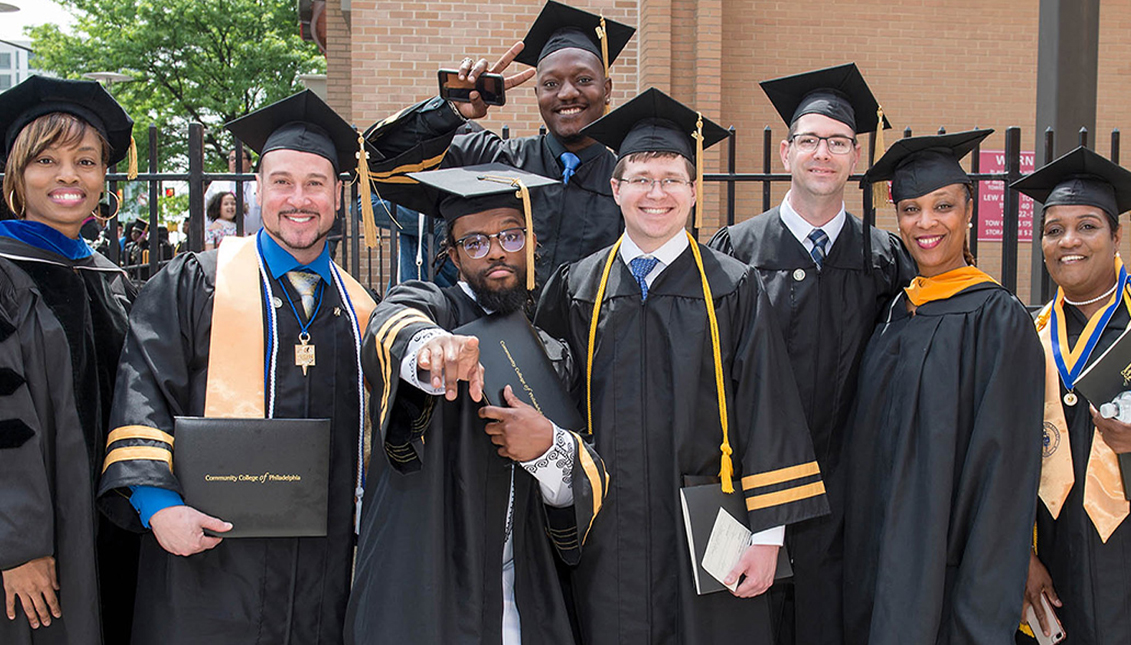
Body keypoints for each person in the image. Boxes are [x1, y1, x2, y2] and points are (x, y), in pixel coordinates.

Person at [534, 88, 829, 645]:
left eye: (672, 178)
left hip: (710, 523)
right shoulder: (578, 287)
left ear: (694, 191)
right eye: (641, 178)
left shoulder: (733, 285)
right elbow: (548, 402)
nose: (656, 193)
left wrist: (769, 537)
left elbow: (768, 405)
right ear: (615, 188)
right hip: (604, 527)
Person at [96, 90, 378, 644]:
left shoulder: (362, 311)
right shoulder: (196, 284)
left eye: (315, 183)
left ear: (338, 195)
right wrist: (157, 506)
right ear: (258, 191)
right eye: (282, 182)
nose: (299, 199)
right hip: (210, 561)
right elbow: (144, 388)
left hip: (322, 578)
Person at [347, 164, 608, 644]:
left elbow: (581, 486)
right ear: (451, 255)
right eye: (474, 242)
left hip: (522, 589)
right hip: (427, 582)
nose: (495, 253)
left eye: (510, 236)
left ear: (531, 242)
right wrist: (430, 347)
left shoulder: (551, 351)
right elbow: (393, 320)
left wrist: (549, 448)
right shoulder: (436, 309)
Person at [707, 64, 915, 645]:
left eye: (839, 143)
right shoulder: (734, 252)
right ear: (786, 153)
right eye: (810, 141)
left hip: (849, 494)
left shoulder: (882, 258)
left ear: (855, 157)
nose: (823, 154)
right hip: (755, 486)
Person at [842, 130, 1043, 644]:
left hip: (943, 563)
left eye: (943, 206)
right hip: (877, 554)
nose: (925, 223)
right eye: (910, 209)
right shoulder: (895, 310)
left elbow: (1004, 470)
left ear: (969, 211)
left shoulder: (997, 317)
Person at [363, 0, 634, 292]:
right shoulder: (495, 160)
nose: (567, 94)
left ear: (607, 89)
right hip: (491, 336)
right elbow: (379, 163)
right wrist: (449, 111)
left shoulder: (628, 184)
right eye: (551, 84)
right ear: (537, 93)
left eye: (583, 79)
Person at [0, 75, 138, 645]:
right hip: (40, 540)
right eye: (46, 159)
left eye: (86, 161)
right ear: (15, 173)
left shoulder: (109, 278)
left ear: (104, 177)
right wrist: (17, 545)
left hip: (117, 525)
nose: (67, 175)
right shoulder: (6, 277)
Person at [1011, 146, 1131, 644]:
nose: (1069, 241)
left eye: (1087, 226)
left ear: (1116, 235)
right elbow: (994, 460)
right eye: (1054, 229)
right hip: (1052, 560)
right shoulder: (1024, 336)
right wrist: (1020, 555)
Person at [204, 146, 260, 233]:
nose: (235, 161)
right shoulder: (218, 184)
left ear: (250, 163)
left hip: (255, 238)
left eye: (240, 158)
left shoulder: (259, 184)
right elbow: (206, 212)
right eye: (232, 159)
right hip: (224, 238)